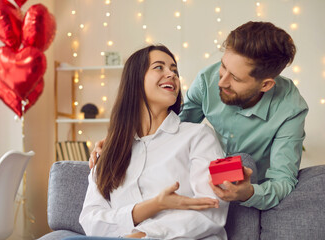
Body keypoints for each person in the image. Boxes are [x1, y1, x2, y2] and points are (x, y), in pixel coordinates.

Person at [90, 21, 308, 211]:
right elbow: (171, 125)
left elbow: (282, 181)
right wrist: (123, 139)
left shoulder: (290, 109)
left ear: (266, 85)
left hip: (252, 190)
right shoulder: (208, 79)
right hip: (200, 177)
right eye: (223, 67)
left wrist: (249, 193)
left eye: (236, 79)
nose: (221, 82)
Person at [79, 45, 229, 239]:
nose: (172, 74)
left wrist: (144, 235)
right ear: (135, 81)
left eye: (174, 70)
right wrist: (155, 205)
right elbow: (91, 221)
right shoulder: (110, 152)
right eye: (159, 67)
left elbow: (212, 209)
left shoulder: (199, 136)